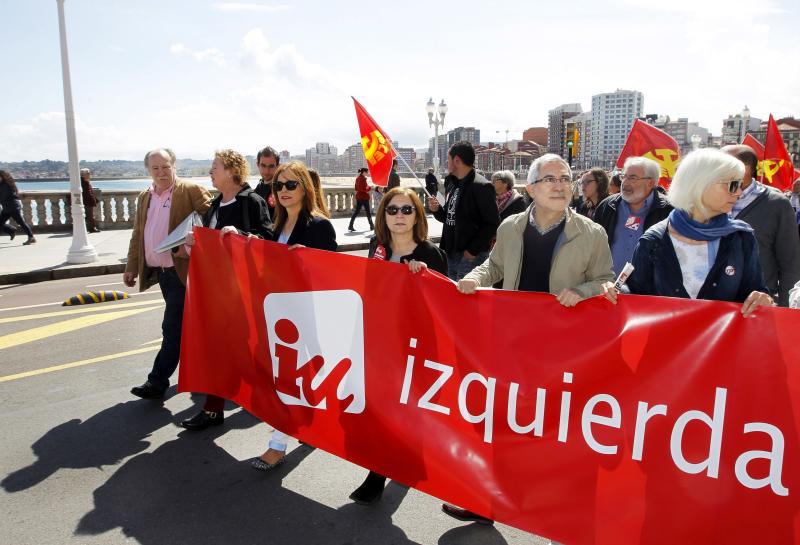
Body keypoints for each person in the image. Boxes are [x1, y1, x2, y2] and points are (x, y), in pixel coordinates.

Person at [446, 153, 614, 525]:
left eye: (566, 178)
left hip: (564, 349)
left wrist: (584, 291)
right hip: (515, 342)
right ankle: (486, 502)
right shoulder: (510, 227)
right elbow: (496, 265)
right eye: (550, 179)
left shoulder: (592, 232)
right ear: (531, 188)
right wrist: (477, 277)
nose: (560, 185)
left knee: (554, 430)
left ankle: (559, 509)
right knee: (503, 424)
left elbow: (608, 281)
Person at [349, 187, 448, 505]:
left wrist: (423, 281)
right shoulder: (377, 247)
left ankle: (403, 462)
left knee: (408, 410)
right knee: (381, 412)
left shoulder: (431, 254)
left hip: (414, 347)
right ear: (383, 215)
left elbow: (444, 310)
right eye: (392, 210)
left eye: (407, 210)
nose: (399, 216)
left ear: (418, 215)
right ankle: (380, 471)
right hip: (380, 343)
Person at [603, 149, 774, 316]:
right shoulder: (653, 240)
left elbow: (754, 290)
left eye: (739, 185)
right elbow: (637, 295)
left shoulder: (741, 237)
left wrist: (761, 298)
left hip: (723, 344)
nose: (739, 192)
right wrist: (615, 291)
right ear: (701, 185)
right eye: (732, 185)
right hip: (667, 342)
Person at [251, 160, 337, 471]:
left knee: (289, 382)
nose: (284, 191)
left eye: (291, 184)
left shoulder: (319, 225)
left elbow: (334, 274)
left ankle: (277, 446)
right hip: (280, 317)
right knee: (295, 381)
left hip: (308, 317)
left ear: (305, 187)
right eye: (278, 185)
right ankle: (309, 426)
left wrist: (307, 260)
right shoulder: (276, 227)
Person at [180, 149, 273, 430]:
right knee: (220, 352)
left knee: (249, 353)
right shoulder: (216, 205)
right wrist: (194, 242)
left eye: (215, 167)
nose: (210, 172)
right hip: (219, 292)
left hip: (244, 292)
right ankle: (214, 409)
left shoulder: (251, 202)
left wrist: (243, 236)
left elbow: (268, 241)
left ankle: (273, 405)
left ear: (232, 171)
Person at [126, 148, 212, 400]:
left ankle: (157, 381)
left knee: (172, 327)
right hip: (162, 273)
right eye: (155, 168)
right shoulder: (146, 196)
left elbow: (209, 222)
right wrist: (132, 265)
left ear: (174, 166)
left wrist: (187, 246)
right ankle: (207, 374)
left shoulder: (190, 191)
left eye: (165, 166)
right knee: (189, 327)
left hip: (182, 271)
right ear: (148, 171)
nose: (161, 172)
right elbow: (138, 234)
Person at [720, 145, 800, 307]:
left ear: (746, 169)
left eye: (722, 164)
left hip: (757, 306)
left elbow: (790, 263)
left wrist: (784, 310)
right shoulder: (710, 197)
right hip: (715, 303)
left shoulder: (776, 204)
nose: (716, 169)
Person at [428, 141, 500, 281]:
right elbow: (449, 217)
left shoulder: (482, 186)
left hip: (470, 257)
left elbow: (492, 223)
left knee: (468, 300)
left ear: (457, 160)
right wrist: (436, 210)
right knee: (453, 297)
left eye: (448, 160)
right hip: (451, 253)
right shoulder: (451, 183)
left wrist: (472, 251)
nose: (446, 164)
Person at [593, 157, 673, 275]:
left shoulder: (668, 211)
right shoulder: (607, 206)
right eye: (624, 176)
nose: (625, 182)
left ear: (650, 182)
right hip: (608, 286)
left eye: (632, 178)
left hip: (646, 290)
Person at [0, 170, 36, 245]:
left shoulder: (5, 185)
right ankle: (11, 230)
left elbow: (3, 197)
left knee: (21, 223)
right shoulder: (3, 184)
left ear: (1, 176)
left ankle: (31, 237)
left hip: (13, 207)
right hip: (7, 207)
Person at [254, 146, 280, 219]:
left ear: (277, 166)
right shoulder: (258, 188)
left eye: (271, 166)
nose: (267, 171)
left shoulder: (281, 189)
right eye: (263, 165)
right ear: (258, 165)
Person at [348, 167, 374, 231]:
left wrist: (368, 187)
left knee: (356, 212)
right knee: (368, 212)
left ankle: (350, 225)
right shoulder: (362, 179)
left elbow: (356, 188)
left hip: (359, 197)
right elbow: (364, 189)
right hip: (364, 197)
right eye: (367, 172)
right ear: (364, 172)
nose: (368, 173)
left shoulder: (358, 178)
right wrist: (370, 188)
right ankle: (372, 226)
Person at [80, 168, 100, 233]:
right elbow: (88, 193)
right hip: (87, 202)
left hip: (86, 202)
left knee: (89, 216)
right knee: (90, 216)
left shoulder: (84, 181)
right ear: (84, 175)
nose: (89, 175)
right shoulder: (84, 182)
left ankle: (90, 228)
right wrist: (93, 200)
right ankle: (92, 228)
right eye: (88, 173)